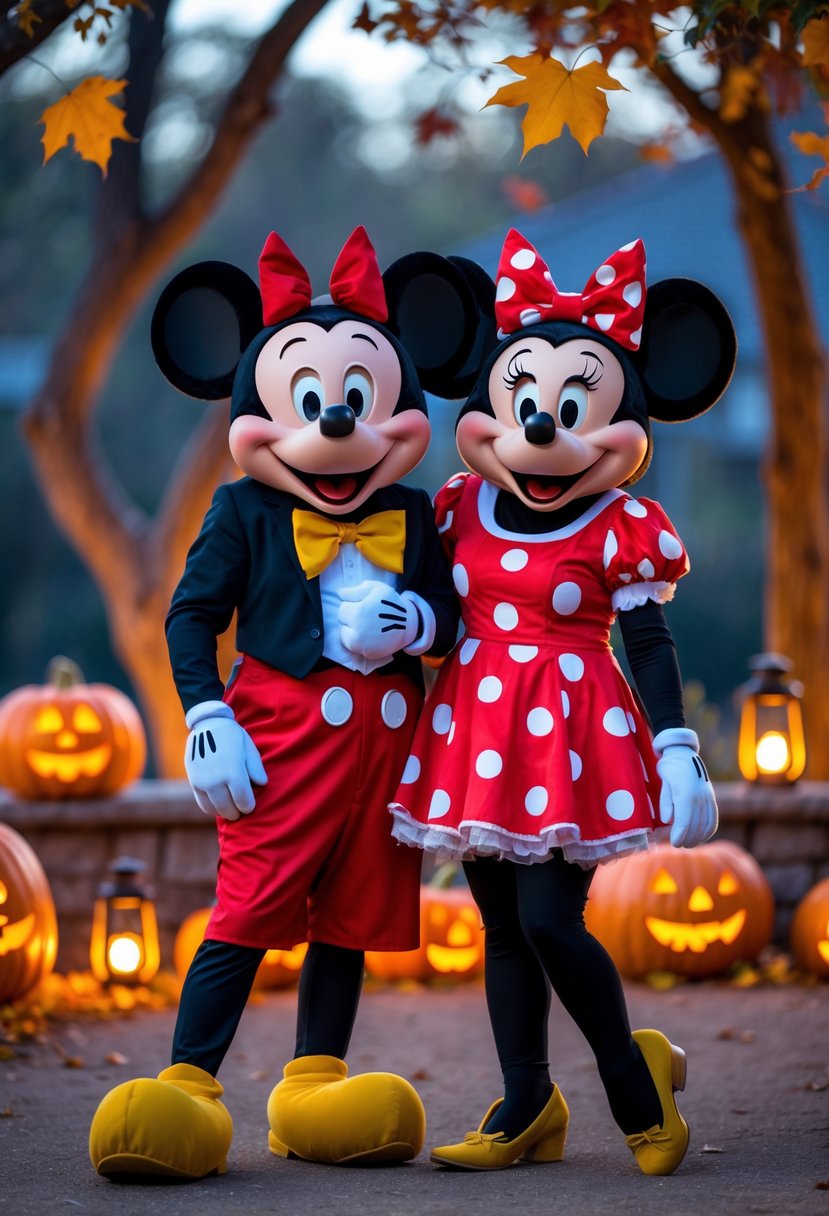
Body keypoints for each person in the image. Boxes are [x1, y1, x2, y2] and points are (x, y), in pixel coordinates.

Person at [88, 227, 474, 1179]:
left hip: (382, 755)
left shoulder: (417, 513)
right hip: (277, 745)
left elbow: (455, 614)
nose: (338, 424)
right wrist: (205, 713)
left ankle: (313, 1083)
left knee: (346, 919)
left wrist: (419, 626)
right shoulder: (244, 510)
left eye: (357, 399)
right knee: (247, 911)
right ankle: (187, 1082)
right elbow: (190, 616)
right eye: (310, 401)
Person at [390, 229, 737, 1175]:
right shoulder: (459, 504)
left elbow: (648, 639)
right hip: (476, 730)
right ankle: (526, 1105)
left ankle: (634, 1085)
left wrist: (676, 748)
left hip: (571, 740)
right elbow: (435, 605)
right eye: (523, 401)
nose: (543, 427)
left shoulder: (623, 523)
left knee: (550, 921)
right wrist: (404, 626)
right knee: (501, 926)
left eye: (575, 402)